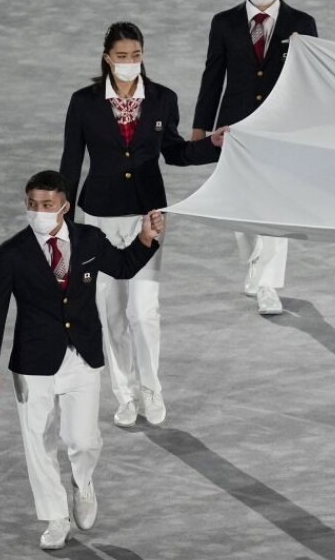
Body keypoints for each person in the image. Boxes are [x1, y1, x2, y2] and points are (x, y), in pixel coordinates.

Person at [0, 171, 164, 550]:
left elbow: (123, 266)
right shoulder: (11, 254)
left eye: (47, 204)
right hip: (32, 362)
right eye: (32, 204)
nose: (38, 211)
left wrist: (146, 238)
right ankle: (55, 517)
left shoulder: (89, 240)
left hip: (82, 356)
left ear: (64, 205)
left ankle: (82, 481)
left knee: (84, 439)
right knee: (38, 441)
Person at [60, 22, 224, 428]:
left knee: (144, 311)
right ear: (107, 58)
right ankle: (126, 394)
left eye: (135, 55)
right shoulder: (83, 103)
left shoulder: (163, 99)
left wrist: (212, 145)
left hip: (148, 216)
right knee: (111, 313)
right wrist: (62, 224)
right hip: (97, 218)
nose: (129, 62)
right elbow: (70, 162)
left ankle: (152, 388)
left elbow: (175, 152)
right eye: (122, 56)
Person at [191, 0, 318, 316]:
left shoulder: (302, 23)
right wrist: (200, 128)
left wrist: (310, 128)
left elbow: (311, 77)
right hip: (235, 126)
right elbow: (213, 75)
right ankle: (254, 264)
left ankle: (267, 285)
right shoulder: (224, 22)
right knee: (240, 203)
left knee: (274, 206)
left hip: (281, 128)